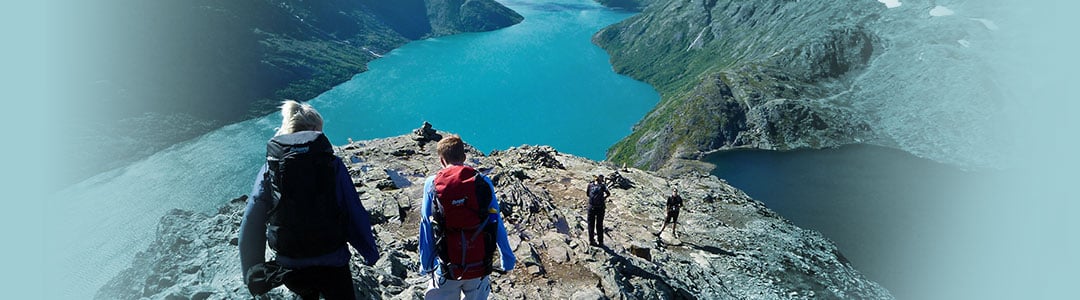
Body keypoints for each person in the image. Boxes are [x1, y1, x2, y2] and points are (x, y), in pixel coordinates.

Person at [239, 100, 379, 299]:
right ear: (314, 130)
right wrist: (369, 252)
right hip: (333, 259)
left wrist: (252, 269)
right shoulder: (332, 164)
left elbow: (252, 218)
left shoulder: (271, 167)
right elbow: (352, 209)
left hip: (290, 263)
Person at [418, 135, 516, 300]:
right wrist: (507, 258)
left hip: (446, 267)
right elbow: (495, 220)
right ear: (464, 157)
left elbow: (426, 224)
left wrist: (426, 264)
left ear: (442, 160)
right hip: (478, 266)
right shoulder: (482, 181)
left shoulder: (432, 184)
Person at [586, 174, 610, 247]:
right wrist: (603, 198)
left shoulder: (590, 185)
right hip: (600, 208)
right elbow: (608, 194)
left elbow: (587, 194)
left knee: (590, 225)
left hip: (591, 207)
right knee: (599, 225)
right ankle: (600, 242)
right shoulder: (602, 186)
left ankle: (591, 240)